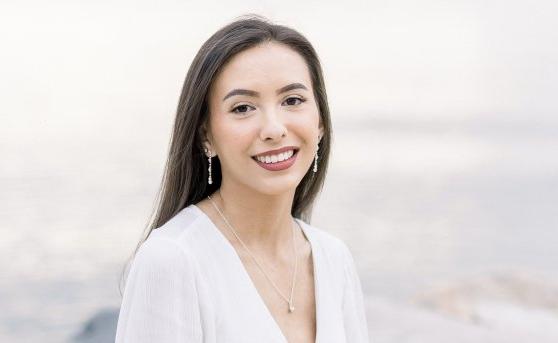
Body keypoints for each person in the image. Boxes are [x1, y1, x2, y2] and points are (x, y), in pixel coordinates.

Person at [115, 14, 369, 343]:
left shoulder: (333, 259)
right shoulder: (173, 261)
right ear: (205, 134)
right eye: (243, 108)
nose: (274, 129)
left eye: (293, 101)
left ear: (320, 122)